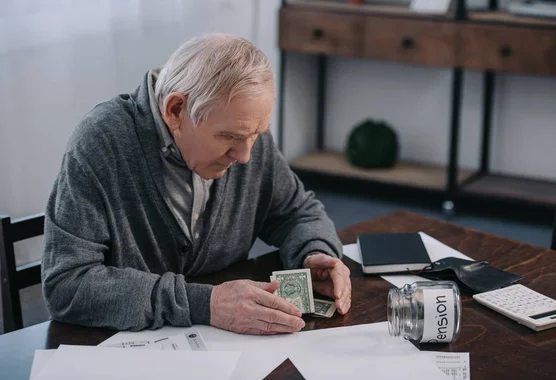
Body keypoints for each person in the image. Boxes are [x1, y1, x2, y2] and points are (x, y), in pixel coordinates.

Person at [42, 34, 351, 334]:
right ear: (175, 111)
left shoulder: (245, 131)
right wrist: (204, 303)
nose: (245, 156)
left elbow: (297, 212)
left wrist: (314, 252)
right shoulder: (100, 144)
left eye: (256, 134)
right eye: (228, 137)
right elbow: (67, 285)